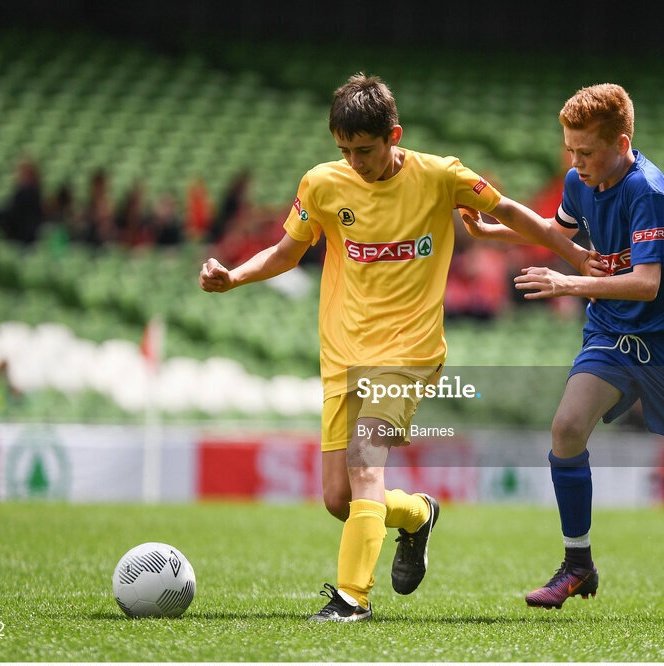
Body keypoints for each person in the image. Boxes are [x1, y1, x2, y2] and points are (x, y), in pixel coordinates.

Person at [199, 73, 591, 622]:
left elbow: (509, 213)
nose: (355, 161)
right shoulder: (322, 185)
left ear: (394, 136)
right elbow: (288, 251)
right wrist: (233, 277)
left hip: (410, 351)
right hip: (342, 355)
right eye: (345, 150)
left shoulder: (441, 176)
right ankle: (416, 515)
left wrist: (572, 255)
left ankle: (350, 599)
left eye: (365, 150)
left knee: (365, 459)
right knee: (340, 498)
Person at [461, 83, 664, 621]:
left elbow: (645, 283)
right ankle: (578, 565)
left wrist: (567, 285)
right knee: (567, 428)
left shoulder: (650, 191)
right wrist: (492, 232)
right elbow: (558, 231)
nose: (576, 162)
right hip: (613, 335)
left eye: (586, 151)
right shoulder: (579, 180)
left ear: (621, 143)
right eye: (570, 149)